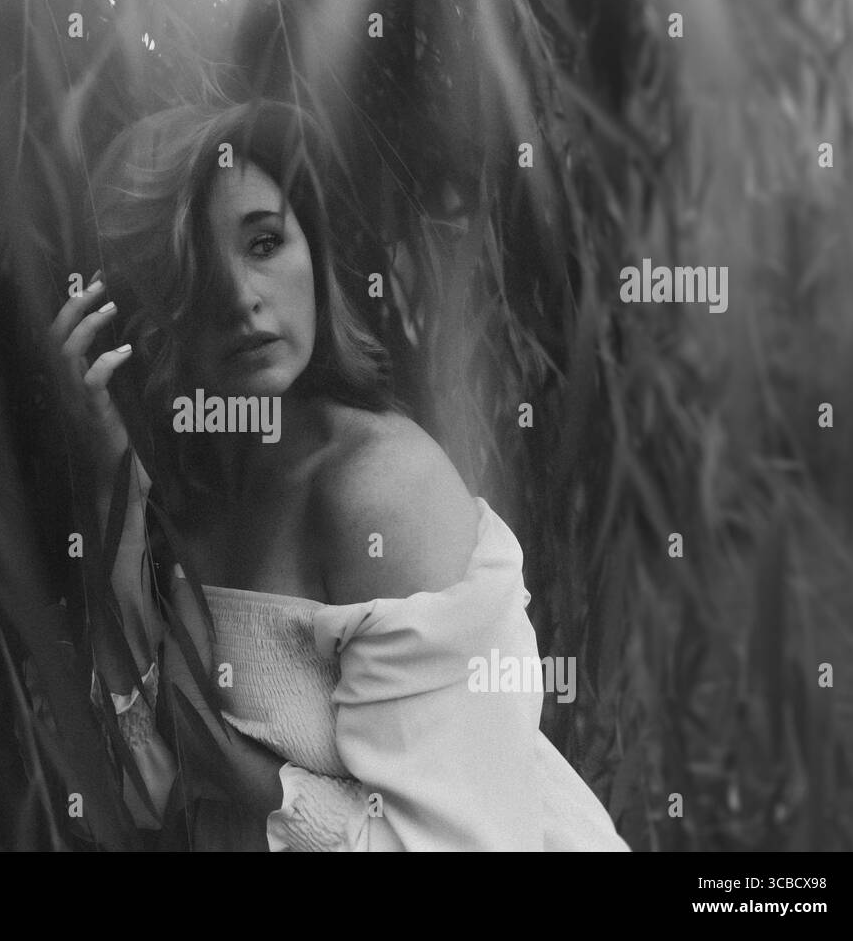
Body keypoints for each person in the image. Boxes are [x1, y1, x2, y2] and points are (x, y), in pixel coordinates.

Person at [48, 98, 629, 851]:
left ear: (313, 254)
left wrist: (233, 772)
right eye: (191, 262)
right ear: (134, 310)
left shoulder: (381, 493)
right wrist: (108, 479)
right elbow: (142, 790)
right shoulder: (179, 491)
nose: (240, 295)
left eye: (264, 242)